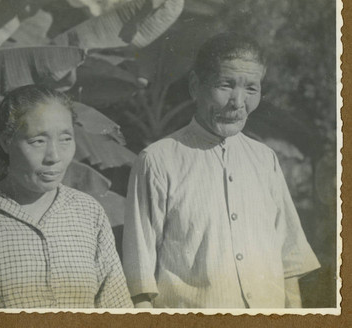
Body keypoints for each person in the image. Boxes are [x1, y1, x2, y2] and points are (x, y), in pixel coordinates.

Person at [122, 32, 320, 308]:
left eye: (252, 88)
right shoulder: (156, 161)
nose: (238, 102)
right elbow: (140, 282)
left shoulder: (266, 160)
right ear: (195, 86)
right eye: (226, 85)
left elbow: (289, 262)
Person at [0, 85, 132, 309]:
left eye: (65, 139)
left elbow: (116, 310)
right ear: (6, 141)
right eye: (38, 141)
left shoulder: (89, 213)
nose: (54, 156)